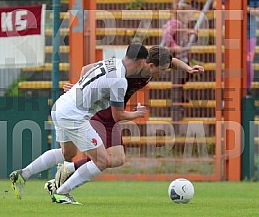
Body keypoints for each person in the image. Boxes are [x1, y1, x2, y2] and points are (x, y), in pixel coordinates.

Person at [9, 44, 175, 204]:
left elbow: (85, 70)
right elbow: (118, 116)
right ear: (140, 62)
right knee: (103, 161)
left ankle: (23, 174)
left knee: (68, 152)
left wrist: (83, 88)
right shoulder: (120, 81)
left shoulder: (112, 62)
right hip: (74, 115)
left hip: (61, 106)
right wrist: (137, 114)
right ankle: (61, 193)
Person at [43, 47, 205, 200]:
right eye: (162, 70)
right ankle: (62, 187)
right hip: (101, 113)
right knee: (103, 160)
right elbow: (87, 69)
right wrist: (81, 87)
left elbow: (173, 62)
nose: (164, 72)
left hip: (113, 117)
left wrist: (188, 69)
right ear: (149, 65)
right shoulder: (131, 70)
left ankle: (69, 169)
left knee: (118, 159)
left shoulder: (152, 63)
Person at [246, 0, 259, 97]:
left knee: (248, 61)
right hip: (233, 34)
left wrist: (247, 10)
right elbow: (216, 5)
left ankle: (248, 89)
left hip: (250, 33)